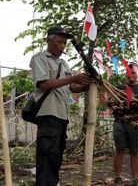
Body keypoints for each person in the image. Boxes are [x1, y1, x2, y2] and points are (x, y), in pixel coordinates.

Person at [29, 26, 92, 186]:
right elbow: (43, 84)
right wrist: (73, 78)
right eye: (59, 42)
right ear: (49, 40)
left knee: (55, 158)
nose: (63, 46)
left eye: (65, 43)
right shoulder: (40, 58)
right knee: (46, 159)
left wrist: (84, 86)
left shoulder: (64, 64)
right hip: (48, 115)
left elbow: (70, 88)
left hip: (62, 117)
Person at [113, 64, 138, 184]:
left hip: (135, 123)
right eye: (128, 72)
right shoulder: (120, 87)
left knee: (134, 152)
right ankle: (117, 177)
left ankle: (136, 178)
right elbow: (113, 103)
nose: (131, 75)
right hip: (119, 122)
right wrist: (118, 97)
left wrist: (135, 99)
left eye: (133, 72)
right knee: (119, 150)